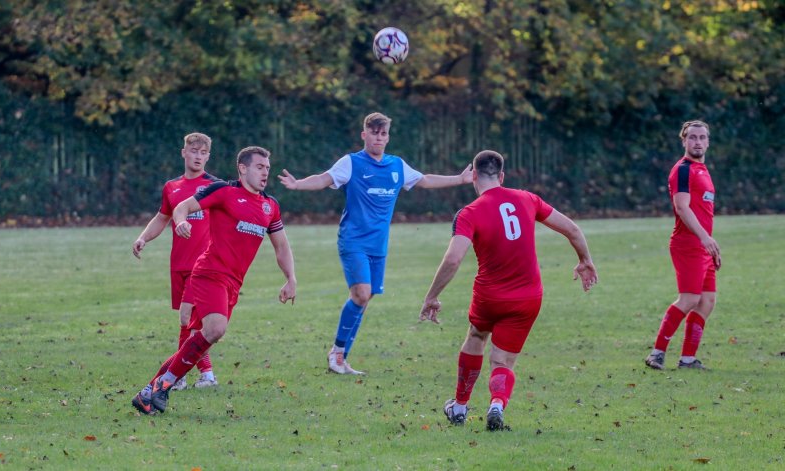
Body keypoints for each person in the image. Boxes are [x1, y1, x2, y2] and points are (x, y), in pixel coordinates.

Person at [278, 112, 473, 375]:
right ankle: (337, 354)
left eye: (383, 134)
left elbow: (424, 179)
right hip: (353, 240)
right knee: (360, 294)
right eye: (374, 132)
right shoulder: (351, 163)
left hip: (378, 245)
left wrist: (459, 179)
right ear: (364, 134)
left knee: (365, 297)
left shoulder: (396, 166)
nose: (378, 137)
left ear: (388, 137)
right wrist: (298, 185)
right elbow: (324, 178)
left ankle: (341, 357)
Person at [419, 150, 598, 431]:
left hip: (489, 296)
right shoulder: (528, 199)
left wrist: (432, 296)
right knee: (503, 360)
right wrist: (585, 260)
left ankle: (460, 407)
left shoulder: (469, 213)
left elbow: (453, 259)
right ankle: (496, 405)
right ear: (502, 176)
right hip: (527, 297)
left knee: (477, 336)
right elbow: (572, 230)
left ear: (474, 176)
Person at [132, 146, 297, 415]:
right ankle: (163, 385)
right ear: (242, 168)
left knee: (202, 338)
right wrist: (182, 221)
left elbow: (281, 247)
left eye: (267, 168)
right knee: (215, 329)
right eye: (259, 167)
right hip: (209, 273)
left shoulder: (271, 206)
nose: (265, 172)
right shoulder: (224, 191)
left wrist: (291, 278)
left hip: (233, 282)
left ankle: (148, 393)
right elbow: (182, 207)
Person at [132, 132, 220, 391]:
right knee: (192, 323)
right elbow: (162, 218)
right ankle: (206, 374)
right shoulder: (172, 187)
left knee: (186, 318)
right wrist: (143, 238)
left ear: (208, 156)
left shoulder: (214, 186)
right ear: (184, 152)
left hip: (203, 265)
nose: (198, 156)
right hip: (179, 263)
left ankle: (178, 375)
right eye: (194, 151)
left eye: (203, 153)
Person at [645, 120, 720, 371]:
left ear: (708, 142)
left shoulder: (703, 169)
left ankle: (688, 359)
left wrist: (710, 244)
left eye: (702, 137)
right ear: (684, 141)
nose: (697, 142)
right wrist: (704, 238)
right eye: (692, 137)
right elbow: (681, 207)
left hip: (703, 244)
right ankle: (656, 353)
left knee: (707, 301)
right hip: (688, 243)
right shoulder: (683, 170)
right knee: (689, 298)